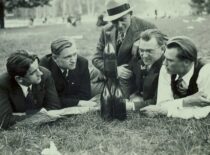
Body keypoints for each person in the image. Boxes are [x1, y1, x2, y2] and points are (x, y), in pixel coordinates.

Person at [91, 0, 156, 98]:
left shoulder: (147, 27)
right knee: (84, 82)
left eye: (123, 19)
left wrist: (142, 44)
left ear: (130, 14)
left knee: (112, 98)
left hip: (133, 80)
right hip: (110, 74)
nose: (119, 25)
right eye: (114, 21)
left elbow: (162, 50)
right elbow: (96, 58)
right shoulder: (106, 30)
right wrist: (114, 69)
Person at [141, 36, 210, 118]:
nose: (164, 63)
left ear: (186, 62)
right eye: (165, 58)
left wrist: (168, 111)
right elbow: (162, 104)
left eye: (170, 60)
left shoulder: (205, 71)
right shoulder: (166, 68)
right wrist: (186, 101)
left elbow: (204, 110)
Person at [0, 50, 61, 129]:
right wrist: (40, 115)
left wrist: (22, 115)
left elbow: (54, 108)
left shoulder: (45, 74)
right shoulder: (2, 84)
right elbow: (5, 121)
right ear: (19, 79)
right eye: (33, 72)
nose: (40, 73)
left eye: (38, 68)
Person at [40, 37, 97, 108]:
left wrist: (63, 99)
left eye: (75, 54)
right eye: (67, 57)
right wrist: (77, 102)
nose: (73, 60)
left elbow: (85, 95)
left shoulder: (82, 63)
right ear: (55, 58)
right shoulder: (44, 67)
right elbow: (50, 102)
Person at [128, 29, 168, 110]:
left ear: (163, 48)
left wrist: (131, 106)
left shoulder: (167, 67)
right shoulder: (138, 61)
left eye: (150, 51)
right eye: (141, 50)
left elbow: (159, 100)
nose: (145, 56)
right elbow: (128, 82)